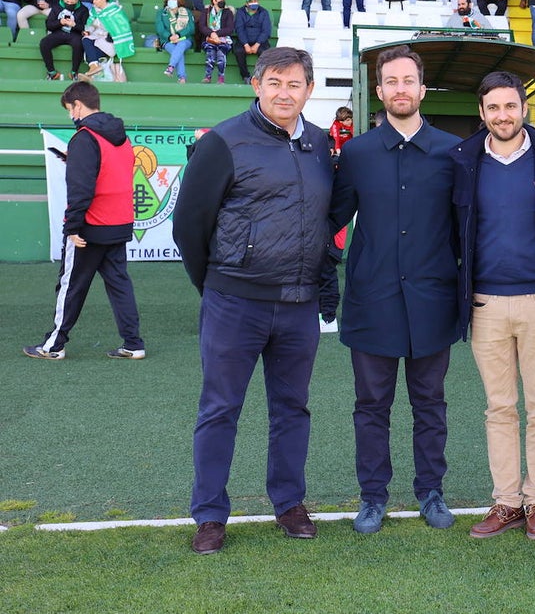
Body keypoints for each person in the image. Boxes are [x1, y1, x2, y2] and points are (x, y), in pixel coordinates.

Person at [173, 47, 333, 556]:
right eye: (275, 82)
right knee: (220, 409)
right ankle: (210, 514)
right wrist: (219, 284)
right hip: (234, 303)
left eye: (295, 84)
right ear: (257, 86)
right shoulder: (223, 141)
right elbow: (188, 226)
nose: (284, 93)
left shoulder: (320, 143)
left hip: (299, 305)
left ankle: (288, 504)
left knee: (292, 409)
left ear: (309, 90)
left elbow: (324, 223)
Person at [329, 45, 462, 534]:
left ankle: (431, 491)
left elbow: (465, 229)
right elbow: (332, 221)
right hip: (372, 302)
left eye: (409, 80)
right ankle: (372, 496)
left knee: (430, 404)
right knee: (371, 406)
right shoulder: (358, 153)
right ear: (378, 90)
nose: (401, 89)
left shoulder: (452, 151)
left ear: (422, 89)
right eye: (392, 81)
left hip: (433, 302)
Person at [451, 71, 535, 540]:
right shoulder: (462, 161)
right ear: (481, 114)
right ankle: (506, 501)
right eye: (493, 108)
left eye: (510, 106)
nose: (502, 115)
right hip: (485, 304)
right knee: (499, 406)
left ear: (523, 108)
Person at [24, 80, 145, 362]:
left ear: (78, 105)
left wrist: (73, 228)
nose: (70, 115)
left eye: (70, 109)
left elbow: (81, 190)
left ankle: (53, 346)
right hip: (119, 223)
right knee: (119, 285)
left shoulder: (84, 138)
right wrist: (76, 161)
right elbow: (110, 172)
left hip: (90, 228)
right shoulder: (121, 136)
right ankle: (134, 344)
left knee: (71, 285)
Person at [39, 0, 88, 80]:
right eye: (67, 2)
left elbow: (85, 29)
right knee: (44, 43)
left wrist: (74, 25)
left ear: (77, 0)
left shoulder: (83, 9)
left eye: (71, 3)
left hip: (74, 34)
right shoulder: (57, 7)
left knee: (79, 44)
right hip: (58, 32)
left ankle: (74, 71)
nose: (69, 4)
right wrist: (59, 22)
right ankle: (51, 72)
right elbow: (49, 25)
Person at [196, 0, 233, 84]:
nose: (223, 2)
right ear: (214, 1)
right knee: (210, 54)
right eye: (220, 0)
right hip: (209, 40)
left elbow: (229, 28)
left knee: (221, 55)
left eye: (223, 0)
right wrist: (212, 34)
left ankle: (221, 77)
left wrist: (217, 34)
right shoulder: (206, 12)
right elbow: (202, 26)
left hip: (223, 40)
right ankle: (207, 77)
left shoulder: (228, 12)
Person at [156, 0, 194, 83]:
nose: (171, 1)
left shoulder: (186, 12)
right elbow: (159, 28)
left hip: (184, 39)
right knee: (177, 52)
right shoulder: (161, 13)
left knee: (180, 45)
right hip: (167, 40)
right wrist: (169, 37)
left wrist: (179, 35)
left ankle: (171, 67)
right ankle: (182, 78)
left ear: (178, 0)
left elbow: (191, 28)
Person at [234, 0, 271, 85]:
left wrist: (257, 44)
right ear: (246, 3)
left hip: (260, 41)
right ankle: (245, 76)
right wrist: (246, 44)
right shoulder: (240, 12)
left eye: (255, 0)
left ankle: (259, 76)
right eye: (251, 1)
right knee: (238, 50)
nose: (254, 3)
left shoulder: (264, 12)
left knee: (264, 53)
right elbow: (239, 29)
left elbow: (266, 30)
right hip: (244, 41)